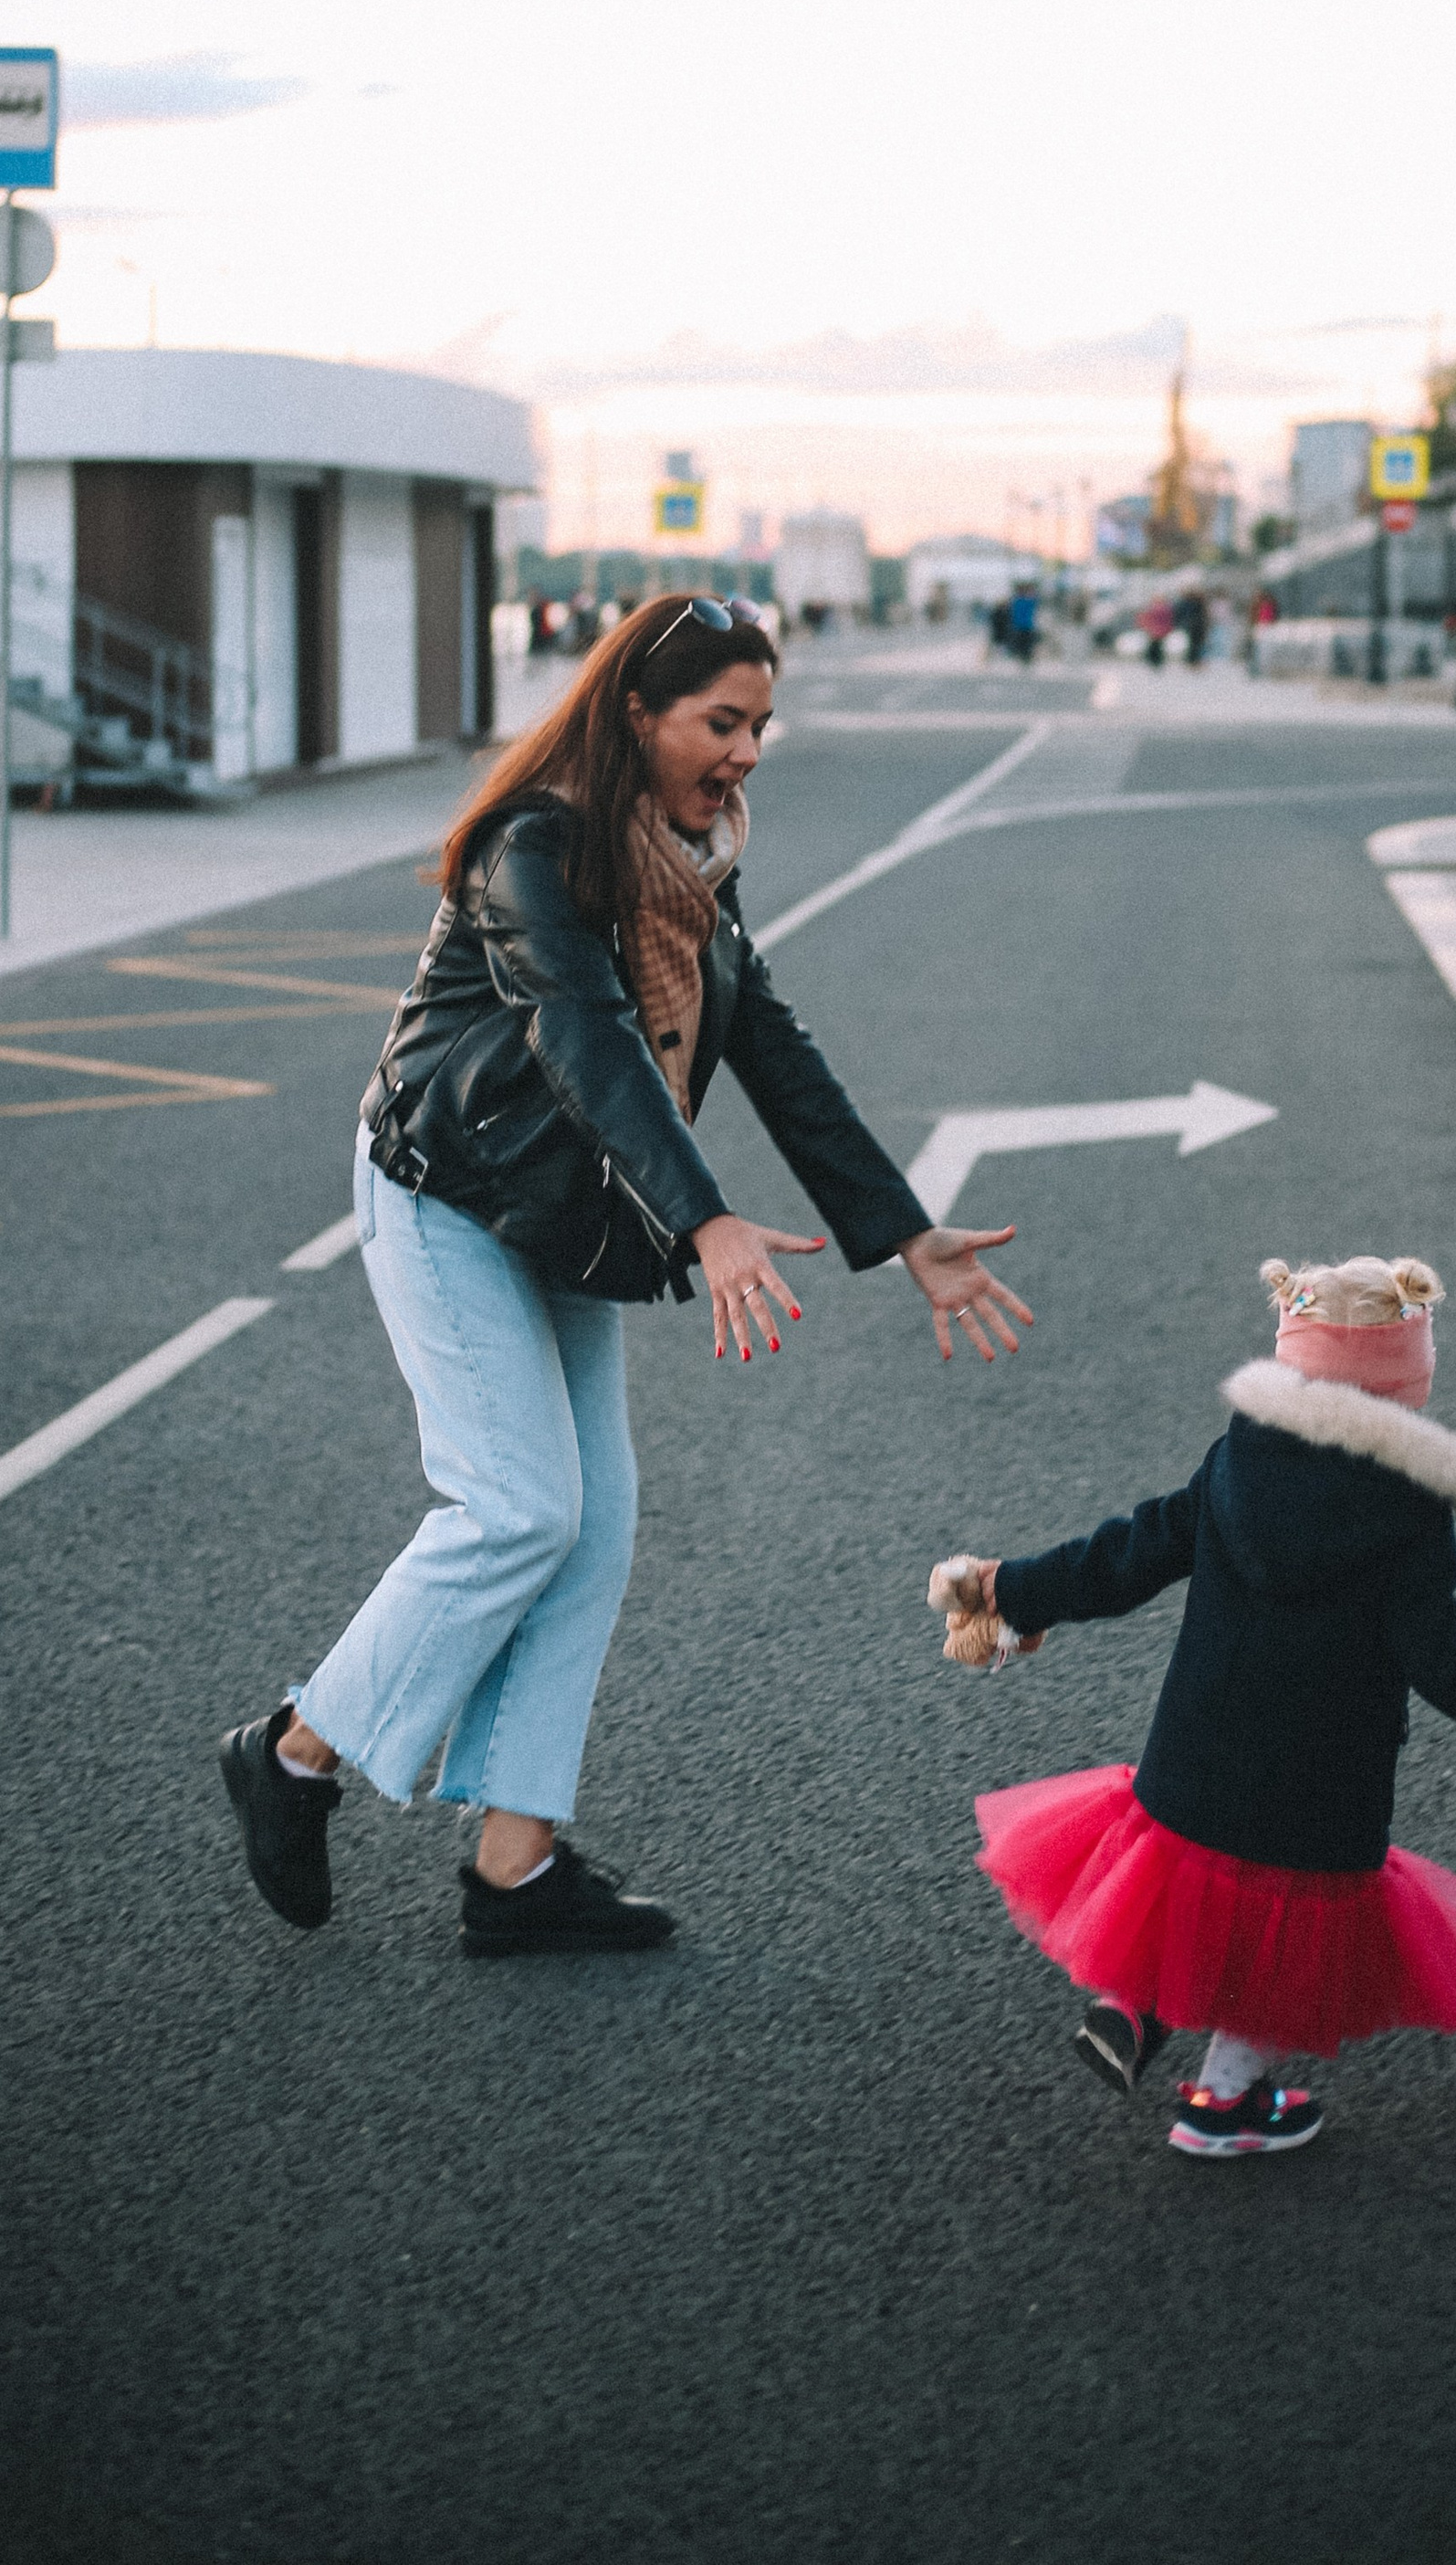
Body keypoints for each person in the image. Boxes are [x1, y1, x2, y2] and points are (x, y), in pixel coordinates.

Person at [220, 594, 1032, 1957]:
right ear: (637, 714)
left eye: (763, 723)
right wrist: (707, 1220)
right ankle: (294, 1752)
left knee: (590, 1532)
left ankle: (516, 1868)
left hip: (574, 1211)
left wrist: (904, 1231)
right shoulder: (531, 845)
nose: (750, 751)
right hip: (451, 1195)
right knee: (518, 1510)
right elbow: (589, 1040)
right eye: (723, 721)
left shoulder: (692, 860)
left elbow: (767, 1042)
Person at [936, 1251, 1456, 2161]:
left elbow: (1128, 1555)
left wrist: (1011, 1591)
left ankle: (1139, 2003)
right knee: (1276, 1950)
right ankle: (1223, 2104)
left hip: (1195, 1759)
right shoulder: (1404, 1513)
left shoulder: (1236, 1461)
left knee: (1195, 1901)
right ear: (1403, 1385)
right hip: (1316, 1788)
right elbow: (1451, 1667)